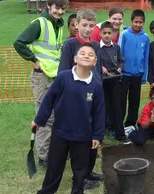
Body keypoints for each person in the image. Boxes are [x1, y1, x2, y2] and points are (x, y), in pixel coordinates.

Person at [31, 43, 105, 194]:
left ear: (95, 62)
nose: (86, 56)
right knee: (54, 167)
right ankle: (46, 191)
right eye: (82, 53)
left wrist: (97, 135)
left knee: (80, 170)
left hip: (83, 136)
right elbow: (48, 100)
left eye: (90, 55)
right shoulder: (63, 77)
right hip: (60, 133)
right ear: (75, 58)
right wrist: (39, 120)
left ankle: (77, 191)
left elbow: (99, 112)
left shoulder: (96, 86)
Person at [13, 0, 69, 168]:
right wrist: (35, 61)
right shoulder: (39, 23)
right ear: (48, 6)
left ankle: (54, 150)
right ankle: (44, 157)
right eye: (57, 8)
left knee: (58, 114)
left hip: (55, 76)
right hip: (42, 77)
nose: (60, 12)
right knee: (44, 117)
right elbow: (19, 43)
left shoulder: (59, 24)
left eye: (62, 9)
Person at [58, 9, 103, 189]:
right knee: (80, 141)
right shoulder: (70, 45)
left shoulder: (96, 45)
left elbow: (98, 71)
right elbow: (63, 73)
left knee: (93, 135)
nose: (87, 29)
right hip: (76, 101)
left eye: (91, 26)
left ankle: (89, 170)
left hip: (94, 97)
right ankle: (80, 177)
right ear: (77, 24)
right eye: (84, 25)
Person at [99, 21, 130, 145]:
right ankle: (100, 135)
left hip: (115, 80)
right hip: (102, 81)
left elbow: (122, 61)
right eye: (104, 33)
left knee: (117, 107)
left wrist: (120, 68)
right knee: (103, 108)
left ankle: (120, 135)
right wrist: (100, 66)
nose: (107, 35)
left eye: (109, 33)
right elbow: (93, 61)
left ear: (113, 34)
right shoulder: (97, 47)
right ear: (100, 34)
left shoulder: (116, 47)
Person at [120, 9, 150, 130]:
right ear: (131, 21)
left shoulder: (146, 38)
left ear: (143, 23)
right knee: (121, 101)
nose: (138, 24)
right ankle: (119, 123)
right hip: (124, 74)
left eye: (140, 22)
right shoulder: (125, 35)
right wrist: (120, 71)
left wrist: (144, 75)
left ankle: (130, 123)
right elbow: (120, 52)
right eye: (136, 22)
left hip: (138, 75)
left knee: (135, 100)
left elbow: (146, 58)